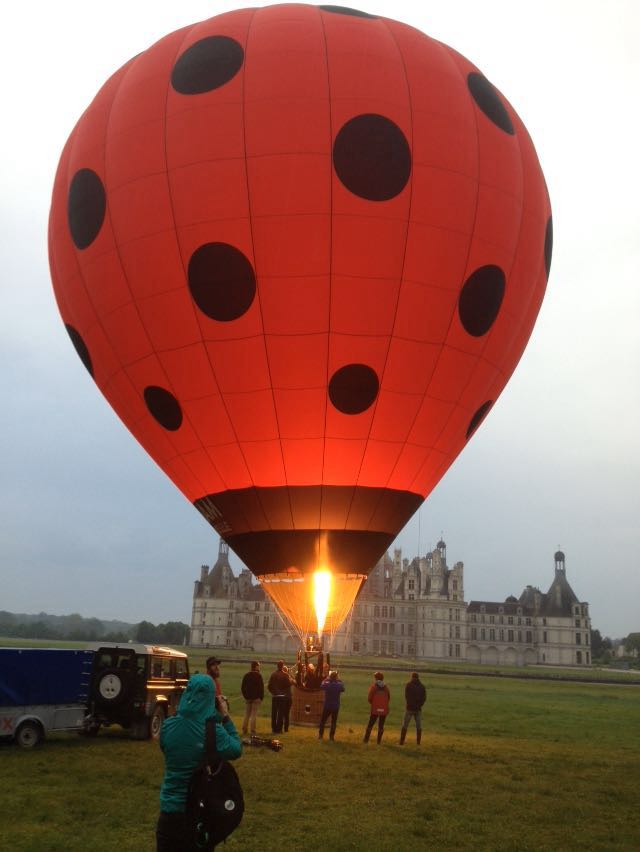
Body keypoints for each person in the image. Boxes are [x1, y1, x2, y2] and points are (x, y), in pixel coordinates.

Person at [156, 674, 241, 851]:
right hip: (196, 813)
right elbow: (236, 749)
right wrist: (224, 716)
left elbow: (165, 748)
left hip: (168, 813)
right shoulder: (213, 731)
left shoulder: (168, 725)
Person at [363, 671, 390, 744]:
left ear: (376, 678)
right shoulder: (386, 687)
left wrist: (374, 704)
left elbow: (369, 698)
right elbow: (388, 698)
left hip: (375, 709)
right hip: (384, 709)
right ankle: (378, 741)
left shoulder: (374, 687)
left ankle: (366, 740)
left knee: (370, 724)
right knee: (381, 725)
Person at [400, 672, 427, 745]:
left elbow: (406, 696)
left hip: (409, 708)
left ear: (412, 677)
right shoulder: (422, 686)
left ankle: (401, 742)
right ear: (418, 677)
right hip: (418, 709)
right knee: (418, 726)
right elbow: (424, 698)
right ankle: (418, 742)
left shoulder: (408, 685)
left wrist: (410, 704)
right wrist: (420, 705)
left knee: (405, 725)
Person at [318, 670, 345, 741]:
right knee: (333, 722)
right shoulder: (339, 685)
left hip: (327, 706)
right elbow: (343, 688)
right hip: (335, 706)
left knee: (323, 721)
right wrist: (338, 680)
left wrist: (327, 679)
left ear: (330, 677)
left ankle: (320, 735)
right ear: (336, 677)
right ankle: (331, 737)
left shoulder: (327, 684)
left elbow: (321, 685)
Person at [267, 660, 291, 734]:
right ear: (282, 666)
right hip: (282, 696)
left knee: (274, 713)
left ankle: (274, 728)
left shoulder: (273, 674)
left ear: (277, 666)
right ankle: (279, 729)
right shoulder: (285, 675)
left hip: (275, 696)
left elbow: (269, 686)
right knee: (280, 713)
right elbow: (289, 684)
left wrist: (273, 692)